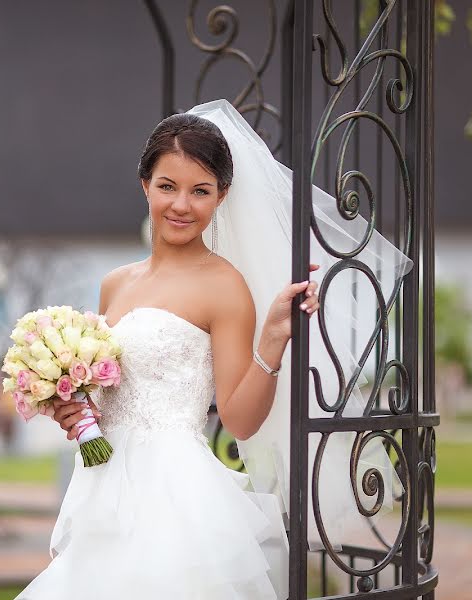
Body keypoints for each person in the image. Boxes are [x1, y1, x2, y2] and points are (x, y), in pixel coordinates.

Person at [17, 103, 320, 599]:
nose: (181, 205)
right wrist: (73, 408)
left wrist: (273, 340)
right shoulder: (115, 284)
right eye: (167, 186)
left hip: (174, 494)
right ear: (144, 185)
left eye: (200, 191)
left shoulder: (224, 286)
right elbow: (112, 388)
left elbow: (241, 421)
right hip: (104, 486)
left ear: (221, 196)